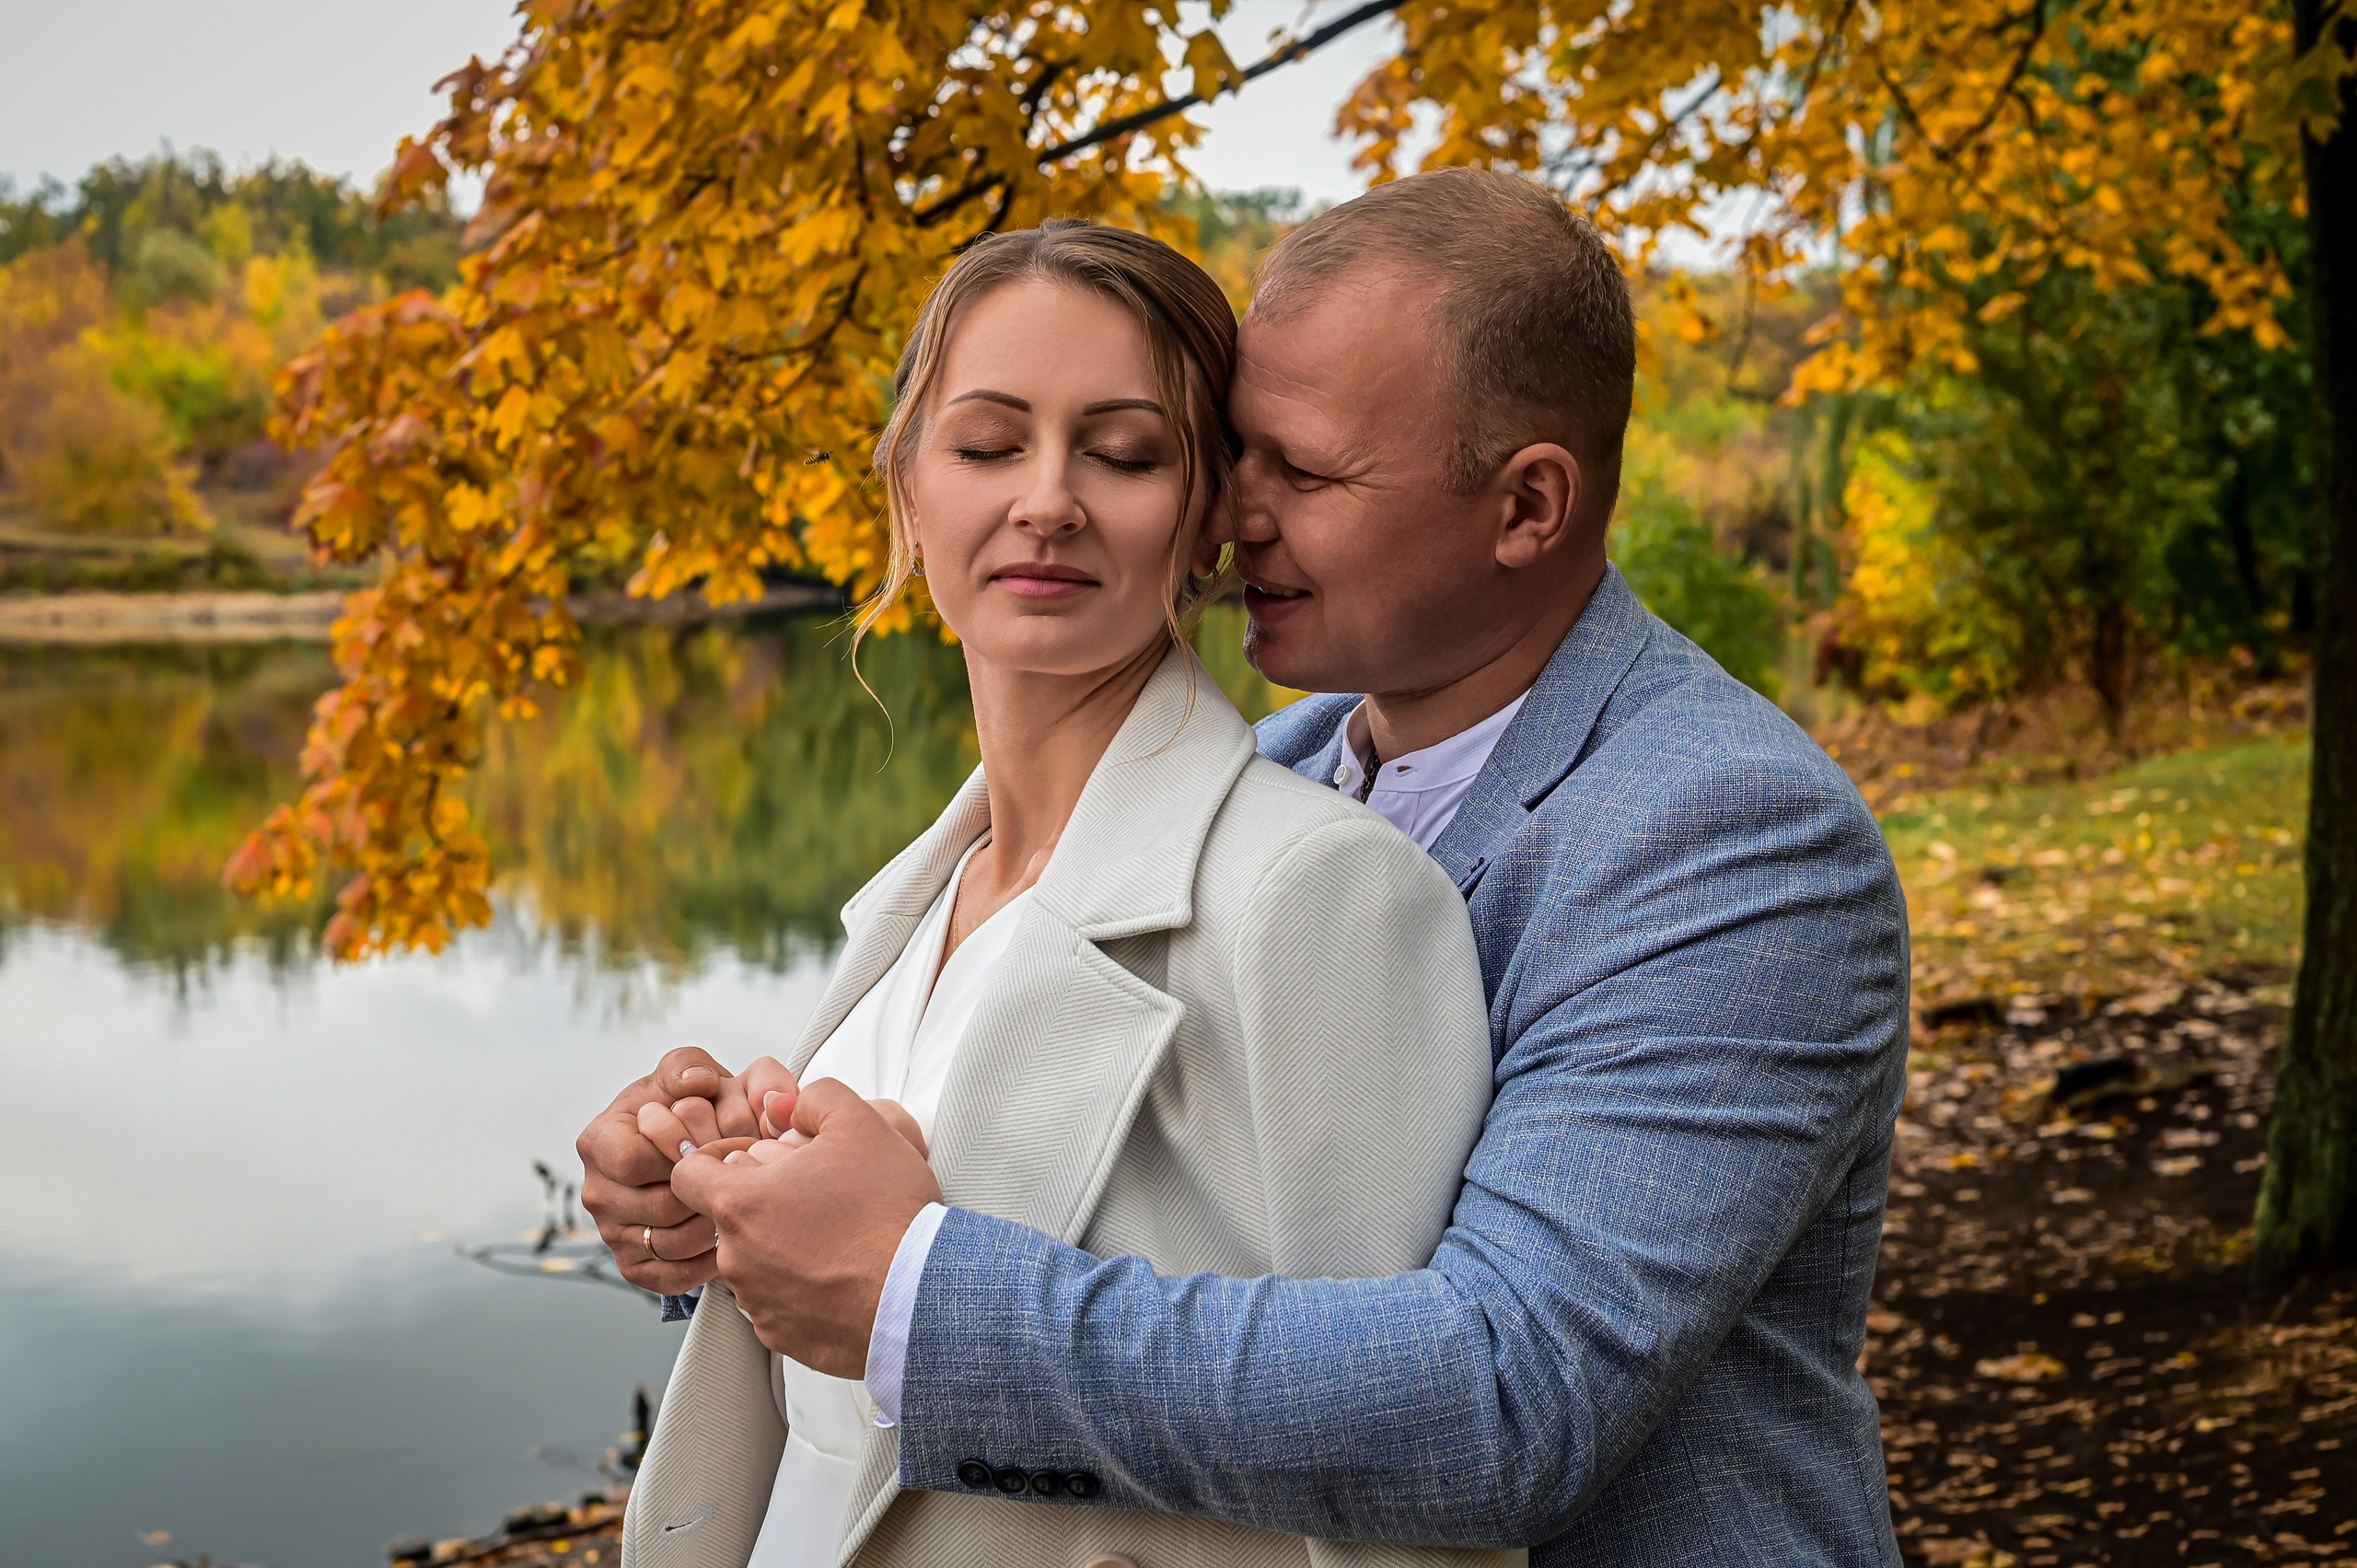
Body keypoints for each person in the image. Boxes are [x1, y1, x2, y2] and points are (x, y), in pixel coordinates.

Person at [584, 168, 1912, 1566]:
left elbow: (1509, 1397)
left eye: (1308, 472)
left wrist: (910, 1289)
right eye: (1233, 451)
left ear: (1527, 508)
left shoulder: (1732, 839)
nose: (1232, 514)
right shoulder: (1268, 769)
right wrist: (733, 1219)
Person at [607, 221, 1517, 1568]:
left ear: (1210, 513)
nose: (1049, 500)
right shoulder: (918, 902)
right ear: (910, 492)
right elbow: (845, 1364)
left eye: (1125, 452)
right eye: (987, 446)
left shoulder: (1316, 893)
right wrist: (703, 1211)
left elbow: (1412, 1483)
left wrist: (906, 1267)